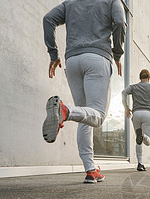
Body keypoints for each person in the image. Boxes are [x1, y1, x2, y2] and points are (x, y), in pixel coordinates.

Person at [42, 0, 126, 183]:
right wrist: (118, 54)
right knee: (98, 115)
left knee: (85, 116)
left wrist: (53, 55)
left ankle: (91, 170)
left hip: (72, 61)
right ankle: (65, 111)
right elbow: (120, 22)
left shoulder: (70, 2)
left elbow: (48, 19)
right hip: (97, 58)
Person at [122, 69, 150, 171]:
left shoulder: (134, 87)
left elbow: (123, 92)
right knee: (147, 141)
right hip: (148, 114)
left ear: (140, 77)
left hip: (136, 114)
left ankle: (140, 163)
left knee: (138, 141)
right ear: (149, 78)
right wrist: (149, 103)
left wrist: (126, 108)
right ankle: (143, 135)